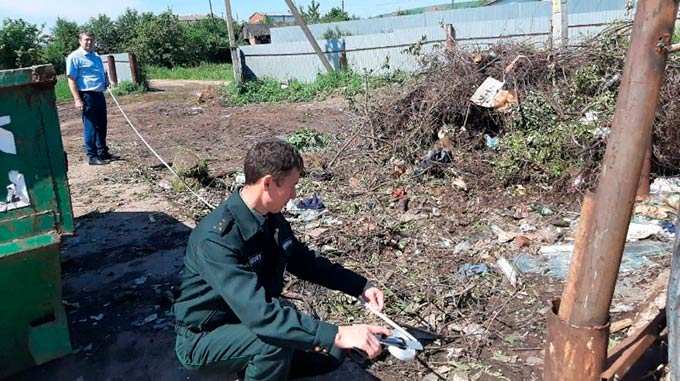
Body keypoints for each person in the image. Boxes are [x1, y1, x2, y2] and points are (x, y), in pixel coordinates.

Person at [173, 140, 390, 380]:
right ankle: (253, 361)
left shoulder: (269, 218)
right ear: (268, 183)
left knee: (332, 354)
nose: (294, 194)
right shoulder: (216, 240)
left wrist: (359, 285)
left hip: (242, 320)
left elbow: (304, 261)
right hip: (204, 337)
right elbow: (261, 314)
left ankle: (255, 367)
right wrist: (337, 333)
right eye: (292, 186)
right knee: (273, 343)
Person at [66, 31, 113, 166]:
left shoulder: (96, 56)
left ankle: (102, 151)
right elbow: (71, 79)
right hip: (87, 95)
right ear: (80, 41)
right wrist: (77, 99)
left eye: (91, 40)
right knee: (90, 126)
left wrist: (105, 81)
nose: (89, 42)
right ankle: (92, 156)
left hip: (99, 94)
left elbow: (100, 73)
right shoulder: (75, 57)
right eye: (86, 40)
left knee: (102, 124)